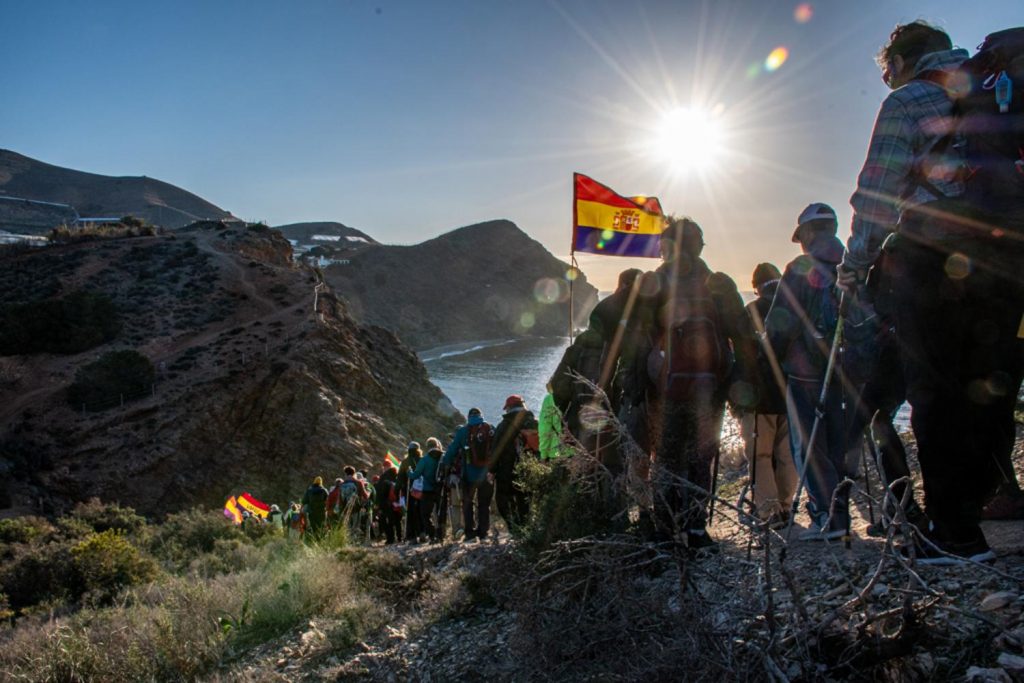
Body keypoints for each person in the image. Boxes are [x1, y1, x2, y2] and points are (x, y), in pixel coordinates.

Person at [839, 22, 1021, 563]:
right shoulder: (993, 91)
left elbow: (877, 192)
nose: (885, 78)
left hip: (934, 263)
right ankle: (981, 503)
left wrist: (857, 265)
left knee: (936, 396)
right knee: (989, 391)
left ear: (899, 59)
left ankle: (957, 534)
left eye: (884, 68)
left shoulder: (910, 98)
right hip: (1007, 264)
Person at [651, 217, 757, 551]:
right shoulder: (719, 283)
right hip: (710, 389)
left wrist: (639, 385)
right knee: (700, 457)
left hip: (667, 389)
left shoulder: (656, 281)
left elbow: (640, 338)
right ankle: (696, 529)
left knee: (666, 457)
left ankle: (666, 527)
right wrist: (740, 387)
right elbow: (742, 337)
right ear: (698, 246)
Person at [765, 203, 854, 541]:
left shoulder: (801, 267)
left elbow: (780, 322)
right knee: (840, 443)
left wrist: (769, 356)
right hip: (848, 371)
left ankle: (828, 517)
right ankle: (841, 512)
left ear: (807, 233)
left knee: (810, 445)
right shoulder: (852, 265)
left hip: (807, 372)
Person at [741, 262, 797, 528]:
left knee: (760, 456)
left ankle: (767, 512)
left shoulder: (752, 310)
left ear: (756, 287)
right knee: (787, 454)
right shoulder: (794, 307)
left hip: (761, 396)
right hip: (793, 393)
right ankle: (786, 506)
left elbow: (743, 355)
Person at [443, 408, 495, 541]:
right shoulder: (490, 429)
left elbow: (452, 450)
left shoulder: (462, 431)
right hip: (486, 475)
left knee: (467, 503)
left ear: (468, 417)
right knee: (484, 504)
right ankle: (483, 532)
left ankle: (470, 533)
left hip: (469, 476)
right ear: (481, 416)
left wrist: (445, 464)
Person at [490, 395, 538, 532]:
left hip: (507, 469)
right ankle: (526, 527)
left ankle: (514, 528)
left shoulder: (504, 425)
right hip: (530, 468)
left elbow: (495, 450)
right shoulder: (534, 422)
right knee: (525, 499)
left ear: (509, 408)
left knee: (503, 500)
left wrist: (491, 470)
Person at [409, 437, 444, 542]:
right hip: (440, 489)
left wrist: (409, 472)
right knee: (440, 513)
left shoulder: (424, 460)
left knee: (425, 514)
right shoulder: (443, 457)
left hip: (427, 490)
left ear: (427, 446)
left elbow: (415, 475)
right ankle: (441, 535)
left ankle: (432, 534)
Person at [397, 442, 423, 543]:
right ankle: (422, 532)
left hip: (409, 491)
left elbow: (399, 478)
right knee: (421, 511)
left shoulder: (405, 462)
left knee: (411, 512)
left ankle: (411, 536)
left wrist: (397, 490)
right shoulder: (422, 460)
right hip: (422, 490)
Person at [538, 384, 571, 460]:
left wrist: (543, 455)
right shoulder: (576, 397)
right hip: (579, 453)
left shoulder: (549, 399)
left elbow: (544, 430)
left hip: (557, 453)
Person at [375, 466, 402, 544]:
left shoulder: (383, 481)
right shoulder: (396, 481)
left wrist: (379, 505)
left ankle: (390, 538)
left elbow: (379, 494)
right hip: (397, 504)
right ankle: (399, 537)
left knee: (386, 521)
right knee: (397, 521)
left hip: (385, 504)